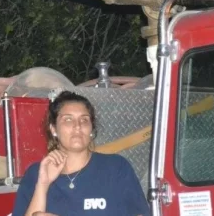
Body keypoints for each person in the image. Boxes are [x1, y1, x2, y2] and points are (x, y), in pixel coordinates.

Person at [11, 91, 151, 216]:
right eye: (68, 119)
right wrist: (43, 184)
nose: (77, 126)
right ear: (53, 129)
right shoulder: (35, 173)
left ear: (91, 129)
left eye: (84, 120)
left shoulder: (116, 168)